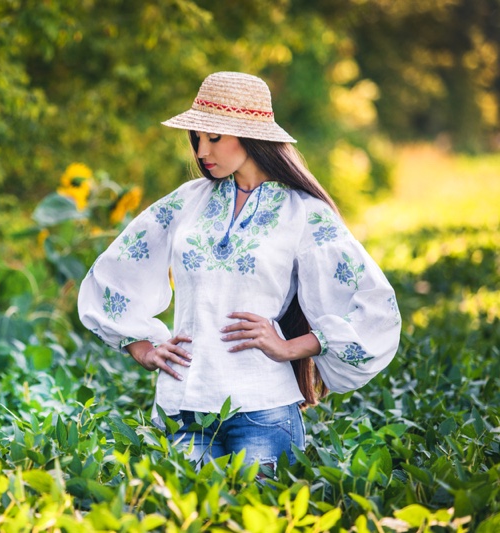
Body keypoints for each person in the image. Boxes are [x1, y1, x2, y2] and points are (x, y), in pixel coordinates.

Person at [77, 72, 401, 469]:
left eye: (213, 138)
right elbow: (114, 272)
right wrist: (141, 346)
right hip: (184, 410)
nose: (201, 151)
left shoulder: (303, 212)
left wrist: (290, 347)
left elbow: (374, 306)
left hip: (263, 410)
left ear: (251, 136)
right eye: (197, 137)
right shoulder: (186, 203)